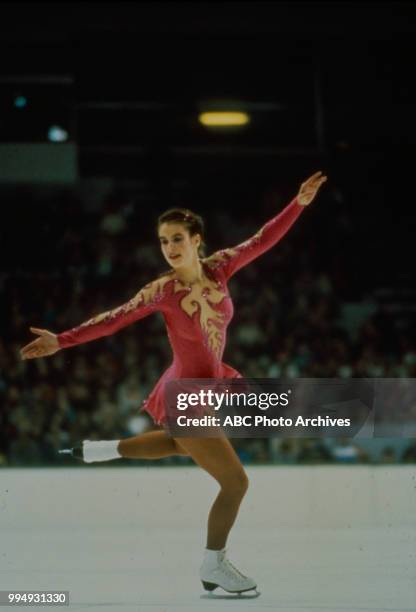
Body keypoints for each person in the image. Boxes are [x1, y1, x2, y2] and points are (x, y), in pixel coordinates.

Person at [20, 171, 327, 595]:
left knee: (179, 445)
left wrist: (299, 204)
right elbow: (114, 320)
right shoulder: (162, 290)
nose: (169, 248)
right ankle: (213, 563)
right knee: (236, 482)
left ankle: (99, 450)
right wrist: (63, 341)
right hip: (187, 394)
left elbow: (260, 241)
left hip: (206, 382)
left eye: (177, 238)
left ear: (196, 239)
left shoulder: (219, 268)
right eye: (164, 241)